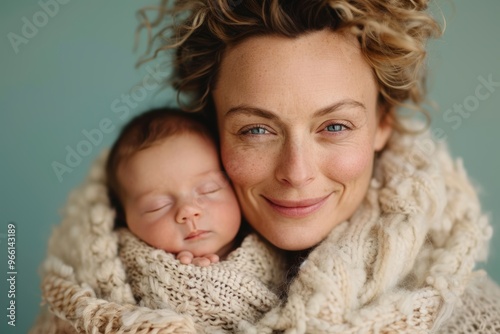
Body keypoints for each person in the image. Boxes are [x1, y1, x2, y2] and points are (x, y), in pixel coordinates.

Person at [31, 1, 500, 333]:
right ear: (212, 129)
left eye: (335, 126)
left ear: (383, 125)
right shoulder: (85, 308)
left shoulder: (472, 317)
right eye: (256, 130)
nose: (296, 172)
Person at [106, 107, 242, 267]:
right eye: (158, 206)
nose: (188, 210)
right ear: (123, 217)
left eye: (209, 189)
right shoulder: (121, 264)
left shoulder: (271, 246)